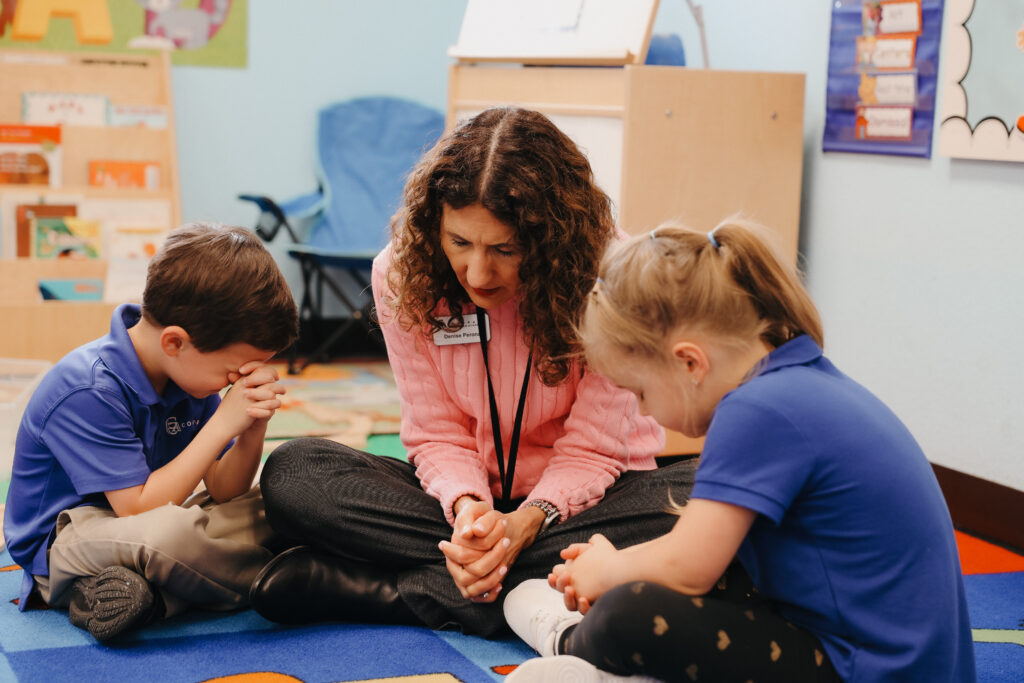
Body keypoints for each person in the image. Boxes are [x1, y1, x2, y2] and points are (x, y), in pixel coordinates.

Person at [250, 107, 698, 637]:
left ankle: (393, 591)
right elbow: (436, 432)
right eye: (459, 242)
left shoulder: (615, 275)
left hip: (588, 503)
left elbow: (595, 449)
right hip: (462, 509)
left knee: (702, 498)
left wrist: (525, 523)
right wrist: (470, 514)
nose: (478, 273)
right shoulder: (400, 271)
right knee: (294, 473)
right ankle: (533, 580)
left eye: (505, 249)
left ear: (552, 239)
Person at [502, 219, 977, 682]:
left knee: (627, 611)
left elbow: (688, 570)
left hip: (862, 666)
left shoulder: (756, 410)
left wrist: (611, 571)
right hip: (885, 654)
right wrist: (614, 568)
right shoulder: (796, 380)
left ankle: (575, 645)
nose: (644, 411)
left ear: (689, 362)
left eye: (640, 392)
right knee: (685, 567)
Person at [2, 222, 299, 642]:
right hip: (66, 544)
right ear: (175, 342)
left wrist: (252, 427)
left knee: (283, 494)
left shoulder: (190, 373)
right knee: (171, 534)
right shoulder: (88, 388)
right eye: (232, 370)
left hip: (154, 524)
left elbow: (225, 490)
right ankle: (300, 576)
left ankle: (145, 597)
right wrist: (221, 424)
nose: (235, 381)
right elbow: (138, 511)